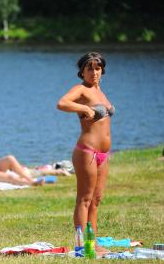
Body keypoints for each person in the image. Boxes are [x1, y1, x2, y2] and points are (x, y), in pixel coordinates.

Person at [57, 52, 113, 254]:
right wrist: (83, 108)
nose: (94, 72)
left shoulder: (101, 93)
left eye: (97, 68)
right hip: (86, 151)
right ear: (82, 72)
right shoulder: (81, 89)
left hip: (103, 154)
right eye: (90, 68)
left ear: (102, 71)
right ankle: (81, 244)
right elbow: (62, 103)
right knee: (85, 199)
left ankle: (93, 242)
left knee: (96, 200)